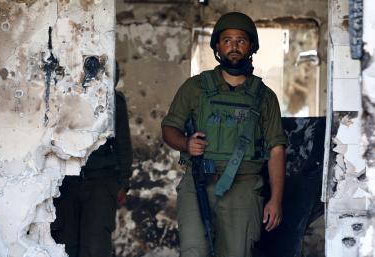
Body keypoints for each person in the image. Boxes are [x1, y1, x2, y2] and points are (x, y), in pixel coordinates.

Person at [161, 12, 286, 257]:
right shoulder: (195, 87)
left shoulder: (265, 97)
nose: (234, 47)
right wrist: (186, 143)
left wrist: (276, 200)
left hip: (244, 187)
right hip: (199, 181)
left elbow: (276, 150)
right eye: (227, 40)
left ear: (251, 46)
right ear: (217, 45)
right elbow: (168, 129)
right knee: (194, 251)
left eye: (241, 40)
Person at [51, 63, 133, 257]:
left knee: (95, 247)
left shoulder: (114, 102)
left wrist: (123, 183)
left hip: (101, 182)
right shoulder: (64, 97)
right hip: (66, 183)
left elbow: (123, 144)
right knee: (64, 245)